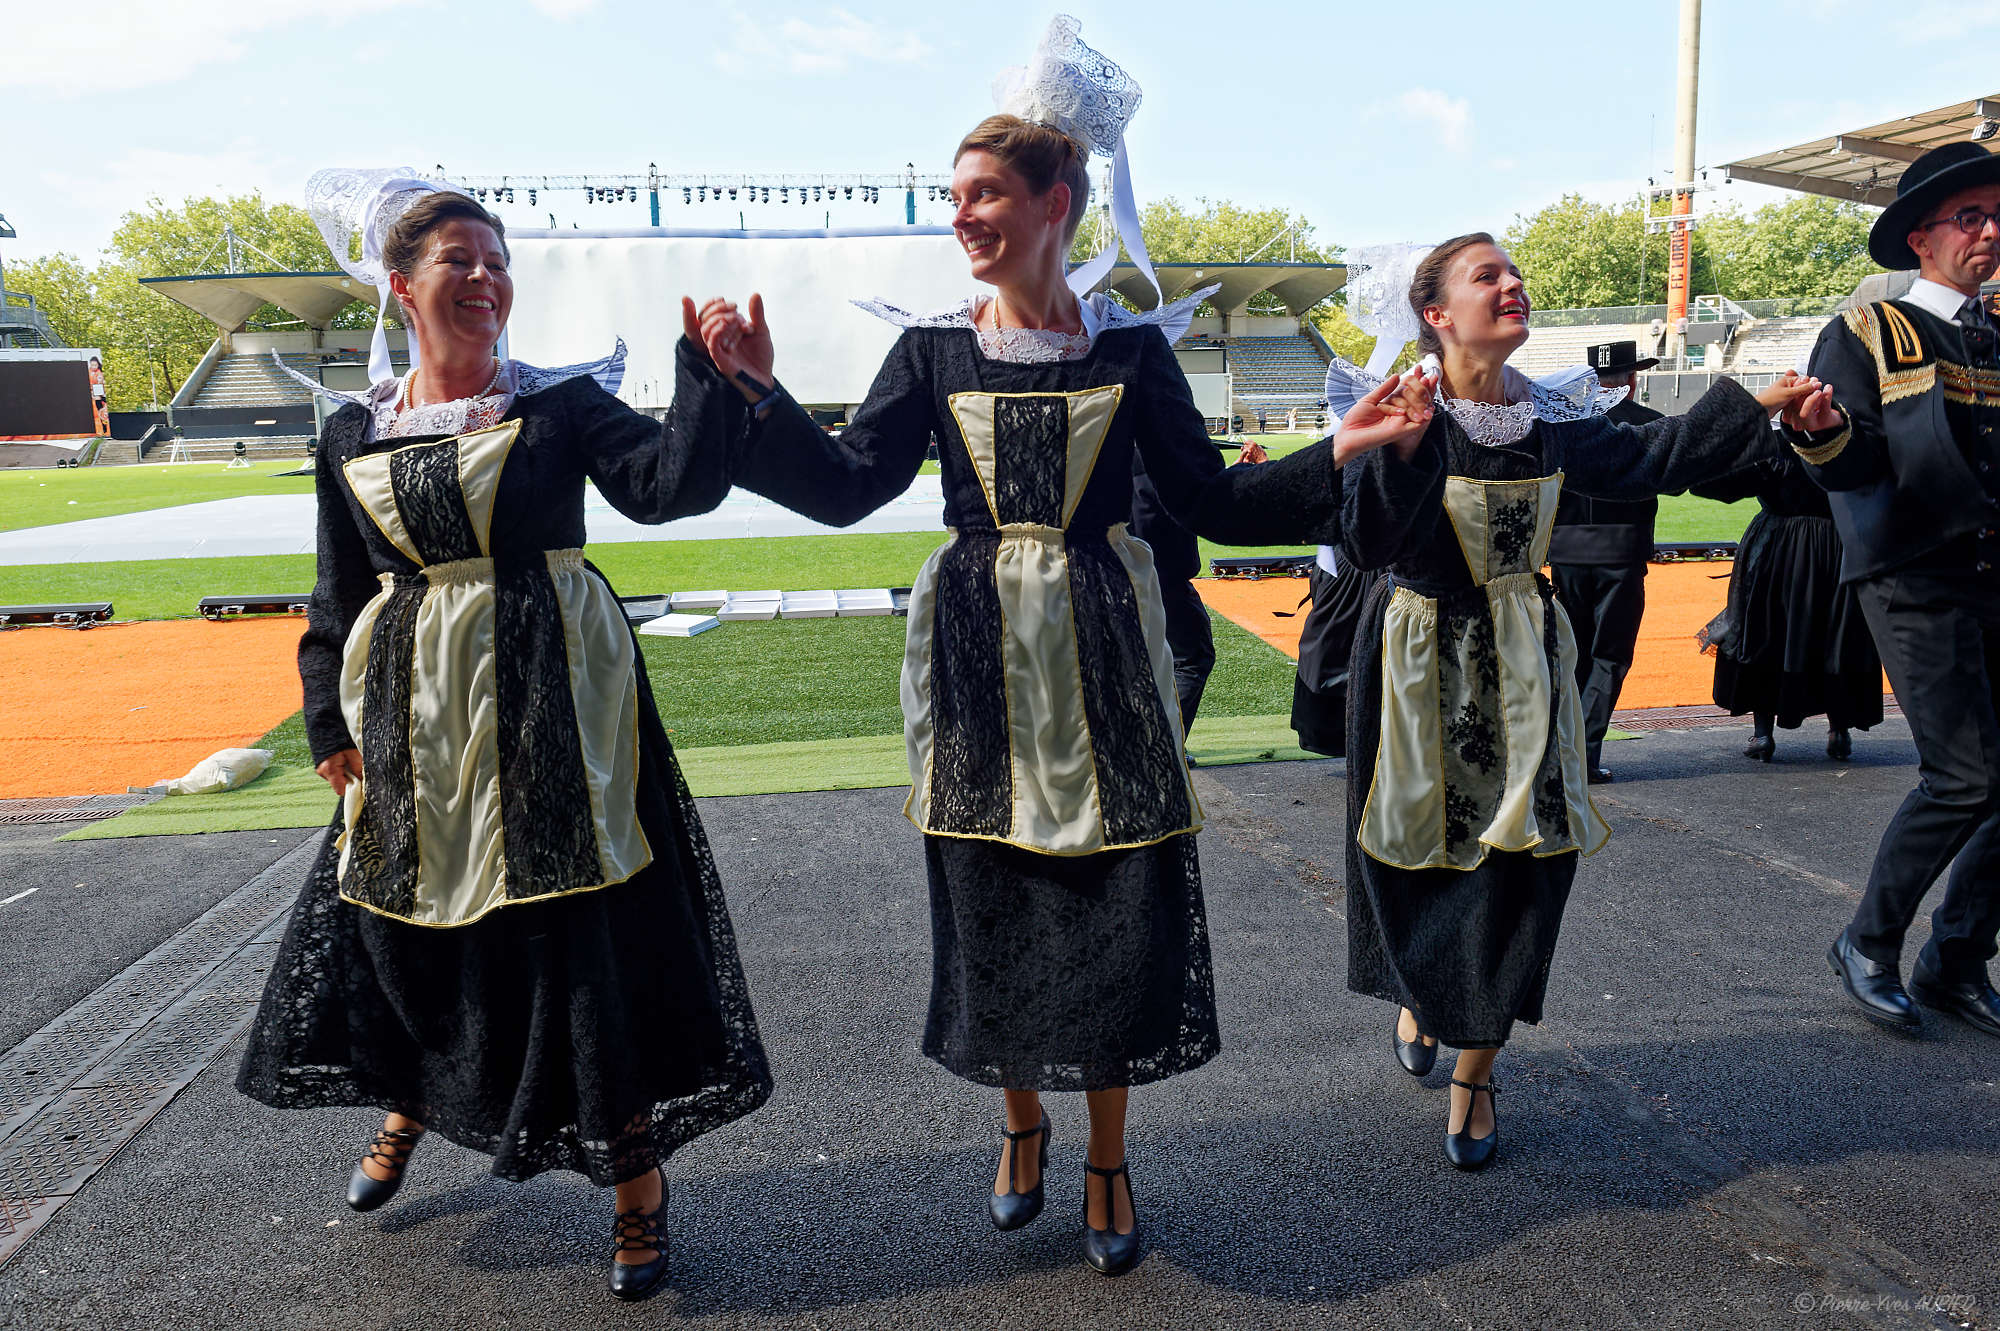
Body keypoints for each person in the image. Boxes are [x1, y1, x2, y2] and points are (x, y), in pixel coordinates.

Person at [693, 15, 1429, 1278]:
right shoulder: (928, 351)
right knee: (994, 897)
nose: (962, 216)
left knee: (1112, 895)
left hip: (1099, 646)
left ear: (1056, 199)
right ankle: (1019, 1121)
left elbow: (1210, 505)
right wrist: (756, 399)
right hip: (978, 651)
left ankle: (1104, 1151)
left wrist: (1341, 451)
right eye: (954, 196)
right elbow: (844, 488)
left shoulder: (1133, 353)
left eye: (984, 195)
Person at [235, 172, 772, 1304]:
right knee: (403, 920)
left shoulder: (560, 403)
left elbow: (668, 488)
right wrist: (327, 711)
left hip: (553, 700)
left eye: (497, 261)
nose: (485, 279)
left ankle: (635, 1185)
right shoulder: (354, 429)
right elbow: (337, 586)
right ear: (402, 284)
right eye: (458, 262)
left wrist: (708, 380)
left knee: (579, 936)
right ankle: (414, 1097)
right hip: (412, 707)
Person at [1331, 233, 1823, 1172]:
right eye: (1489, 277)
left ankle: (1478, 1066)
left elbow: (1658, 454)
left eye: (1516, 273)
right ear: (1436, 315)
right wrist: (1394, 447)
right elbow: (1362, 541)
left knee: (1527, 861)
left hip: (1526, 663)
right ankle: (1423, 986)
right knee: (1415, 852)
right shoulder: (1404, 414)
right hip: (1417, 659)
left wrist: (1762, 401)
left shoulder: (1552, 419)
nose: (1514, 285)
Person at [1786, 141, 2000, 1039]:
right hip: (1915, 575)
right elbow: (1853, 468)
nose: (1991, 231)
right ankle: (1867, 942)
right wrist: (1824, 430)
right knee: (1967, 776)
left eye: (1998, 217)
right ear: (1920, 237)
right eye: (1970, 216)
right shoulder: (1869, 332)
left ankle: (1954, 959)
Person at [1690, 452, 1882, 761]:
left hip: (1778, 544)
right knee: (1837, 634)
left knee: (1767, 633)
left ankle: (1763, 734)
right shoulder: (1846, 438)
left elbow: (1723, 486)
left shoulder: (1774, 443)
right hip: (1838, 542)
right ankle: (1839, 730)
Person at [1547, 341, 1664, 783]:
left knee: (1570, 654)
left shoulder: (1563, 425)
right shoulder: (1650, 425)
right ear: (1631, 380)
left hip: (1567, 552)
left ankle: (1559, 750)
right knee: (1609, 657)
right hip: (1622, 552)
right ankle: (1584, 755)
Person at [1130, 438, 1267, 739]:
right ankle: (1163, 744)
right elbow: (1209, 505)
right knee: (1193, 658)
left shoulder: (1113, 445)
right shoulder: (1167, 449)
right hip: (1163, 574)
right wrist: (1245, 474)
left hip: (1117, 571)